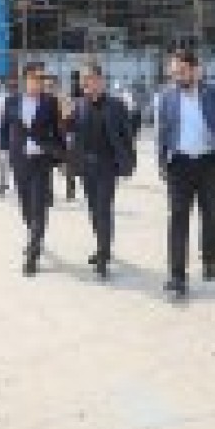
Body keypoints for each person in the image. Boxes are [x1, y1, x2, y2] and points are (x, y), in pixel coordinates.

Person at [155, 50, 215, 297]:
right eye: (174, 73)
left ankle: (209, 259)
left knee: (209, 212)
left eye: (181, 72)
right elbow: (163, 131)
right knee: (177, 217)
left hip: (208, 162)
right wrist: (161, 161)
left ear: (196, 70)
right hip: (179, 163)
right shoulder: (166, 96)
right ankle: (177, 275)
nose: (177, 77)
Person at [64, 64, 135, 279]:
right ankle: (102, 245)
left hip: (107, 166)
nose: (86, 82)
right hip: (86, 167)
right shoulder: (79, 105)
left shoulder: (116, 105)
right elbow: (69, 131)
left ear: (100, 80)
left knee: (103, 209)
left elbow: (127, 135)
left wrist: (129, 161)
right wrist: (65, 118)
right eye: (83, 79)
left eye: (90, 78)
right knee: (94, 210)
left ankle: (103, 255)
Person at [0, 64, 65, 276]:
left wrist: (61, 157)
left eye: (41, 78)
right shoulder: (11, 101)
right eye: (35, 78)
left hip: (41, 161)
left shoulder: (50, 102)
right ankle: (34, 235)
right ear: (25, 79)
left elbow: (58, 132)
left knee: (39, 207)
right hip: (19, 161)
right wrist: (5, 152)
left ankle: (33, 254)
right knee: (26, 206)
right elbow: (5, 129)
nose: (39, 82)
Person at [45, 73, 78, 201]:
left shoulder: (64, 98)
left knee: (65, 165)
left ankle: (70, 189)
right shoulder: (42, 99)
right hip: (47, 137)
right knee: (46, 166)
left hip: (62, 136)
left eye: (51, 85)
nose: (49, 87)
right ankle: (48, 194)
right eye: (47, 85)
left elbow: (70, 117)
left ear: (56, 85)